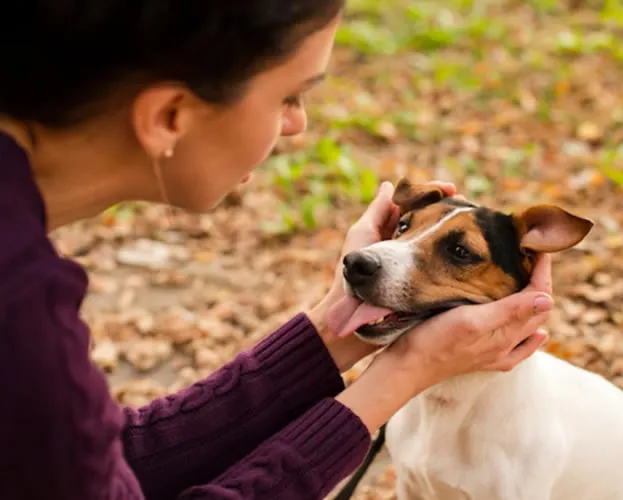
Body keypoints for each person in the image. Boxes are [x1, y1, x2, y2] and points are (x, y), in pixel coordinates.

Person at [0, 2, 554, 499]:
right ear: (170, 115)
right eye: (289, 96)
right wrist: (399, 379)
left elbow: (106, 467)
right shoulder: (22, 320)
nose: (297, 125)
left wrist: (334, 327)